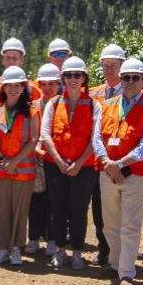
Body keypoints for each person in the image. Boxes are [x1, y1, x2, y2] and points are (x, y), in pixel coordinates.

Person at [93, 58, 143, 285]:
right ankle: (114, 263)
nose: (130, 82)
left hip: (135, 174)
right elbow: (97, 139)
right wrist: (107, 163)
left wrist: (120, 164)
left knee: (130, 225)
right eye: (126, 77)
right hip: (108, 172)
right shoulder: (106, 105)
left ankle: (127, 273)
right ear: (120, 80)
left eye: (135, 78)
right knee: (110, 223)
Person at [40, 57, 98, 270]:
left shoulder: (93, 105)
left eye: (77, 75)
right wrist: (59, 161)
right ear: (62, 78)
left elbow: (95, 138)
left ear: (84, 78)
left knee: (79, 209)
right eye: (68, 75)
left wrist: (78, 164)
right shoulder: (54, 104)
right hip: (56, 165)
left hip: (85, 168)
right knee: (58, 208)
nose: (73, 79)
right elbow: (46, 134)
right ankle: (60, 251)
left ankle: (77, 252)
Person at [0, 66, 40, 266]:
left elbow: (34, 140)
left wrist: (14, 161)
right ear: (4, 87)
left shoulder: (32, 112)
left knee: (19, 209)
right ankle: (2, 248)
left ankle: (16, 248)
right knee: (0, 208)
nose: (13, 89)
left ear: (24, 88)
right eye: (10, 86)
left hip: (22, 170)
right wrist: (2, 160)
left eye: (18, 85)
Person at [88, 43, 125, 266]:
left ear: (122, 66)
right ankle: (104, 249)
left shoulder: (130, 90)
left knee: (121, 209)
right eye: (105, 66)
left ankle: (120, 253)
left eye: (114, 65)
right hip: (97, 160)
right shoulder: (94, 93)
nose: (109, 70)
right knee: (99, 208)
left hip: (120, 160)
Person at [24, 63, 61, 255]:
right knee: (35, 200)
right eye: (44, 83)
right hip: (35, 161)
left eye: (52, 84)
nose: (48, 88)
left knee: (54, 202)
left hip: (55, 160)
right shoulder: (33, 107)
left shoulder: (63, 106)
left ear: (58, 84)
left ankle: (52, 240)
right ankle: (33, 238)